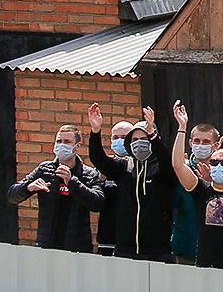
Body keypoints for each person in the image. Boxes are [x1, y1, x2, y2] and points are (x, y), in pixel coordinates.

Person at [170, 100, 223, 271]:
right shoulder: (201, 190)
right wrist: (182, 127)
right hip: (204, 264)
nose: (219, 166)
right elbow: (178, 165)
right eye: (215, 162)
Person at [87, 102, 177, 261]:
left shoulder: (162, 168)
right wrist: (95, 131)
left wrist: (153, 137)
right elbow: (99, 159)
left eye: (144, 138)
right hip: (125, 249)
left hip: (158, 251)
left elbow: (166, 161)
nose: (139, 142)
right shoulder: (124, 167)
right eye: (135, 139)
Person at [6, 123, 105, 251]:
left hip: (77, 247)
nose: (61, 145)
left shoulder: (88, 173)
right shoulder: (44, 169)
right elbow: (12, 196)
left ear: (77, 146)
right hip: (46, 244)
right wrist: (28, 187)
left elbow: (98, 203)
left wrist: (72, 181)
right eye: (59, 141)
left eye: (67, 142)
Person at [93, 117, 134, 256]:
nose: (119, 140)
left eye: (124, 137)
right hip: (107, 238)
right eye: (115, 137)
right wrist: (99, 180)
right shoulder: (102, 168)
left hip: (133, 240)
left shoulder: (140, 168)